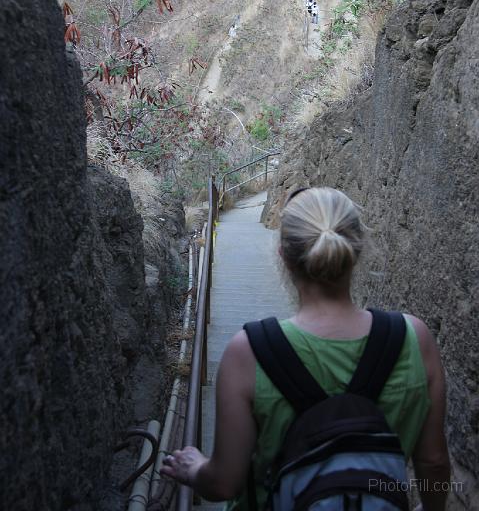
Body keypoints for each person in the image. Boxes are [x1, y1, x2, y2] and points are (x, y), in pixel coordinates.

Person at [162, 187, 451, 511]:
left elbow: (223, 483)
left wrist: (194, 466)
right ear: (357, 250)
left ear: (283, 254)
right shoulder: (415, 339)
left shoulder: (248, 353)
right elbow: (434, 461)